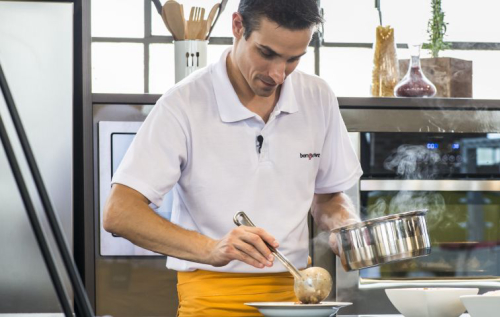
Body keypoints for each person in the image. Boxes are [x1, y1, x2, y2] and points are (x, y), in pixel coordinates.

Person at [102, 0, 362, 315]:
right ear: (238, 27)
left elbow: (329, 198)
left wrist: (345, 229)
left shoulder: (318, 97)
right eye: (267, 54)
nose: (278, 74)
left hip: (296, 300)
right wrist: (212, 248)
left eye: (293, 59)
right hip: (211, 301)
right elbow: (120, 212)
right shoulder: (183, 103)